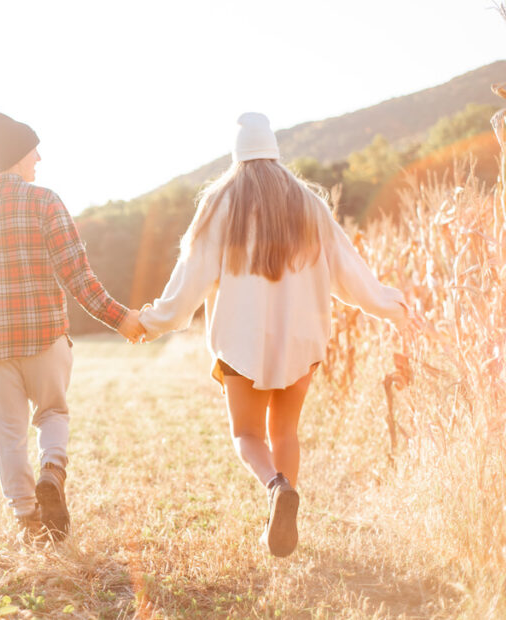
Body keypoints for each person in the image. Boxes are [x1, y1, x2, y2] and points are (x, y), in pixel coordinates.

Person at [138, 112, 409, 557]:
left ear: (237, 154)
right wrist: (391, 306)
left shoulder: (220, 203)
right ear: (275, 150)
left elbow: (188, 281)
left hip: (241, 343)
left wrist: (154, 321)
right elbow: (352, 274)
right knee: (285, 432)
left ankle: (275, 488)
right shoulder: (308, 203)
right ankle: (280, 522)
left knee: (246, 434)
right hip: (302, 341)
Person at [0, 110, 145, 544]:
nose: (39, 158)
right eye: (34, 150)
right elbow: (79, 278)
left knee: (8, 435)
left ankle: (29, 520)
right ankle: (52, 469)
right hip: (44, 338)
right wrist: (121, 318)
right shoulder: (45, 201)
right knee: (52, 413)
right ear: (17, 155)